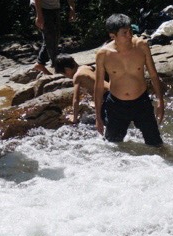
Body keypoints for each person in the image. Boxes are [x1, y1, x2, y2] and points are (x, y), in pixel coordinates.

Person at [94, 14, 166, 146]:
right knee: (112, 146)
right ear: (113, 36)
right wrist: (98, 117)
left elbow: (153, 74)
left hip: (141, 102)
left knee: (156, 144)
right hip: (116, 105)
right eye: (124, 33)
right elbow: (98, 86)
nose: (129, 35)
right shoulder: (103, 54)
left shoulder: (141, 46)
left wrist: (160, 101)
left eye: (130, 31)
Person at [52, 52, 98, 122]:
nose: (66, 77)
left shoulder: (77, 77)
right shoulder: (86, 67)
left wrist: (74, 118)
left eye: (64, 74)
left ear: (67, 70)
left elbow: (76, 99)